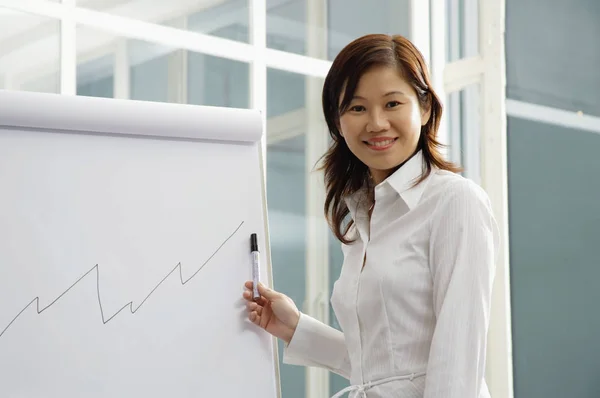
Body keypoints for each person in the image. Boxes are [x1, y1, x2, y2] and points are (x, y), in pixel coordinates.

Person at [243, 33, 499, 398]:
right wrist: (295, 327)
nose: (376, 123)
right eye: (357, 108)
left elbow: (458, 363)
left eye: (392, 103)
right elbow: (380, 365)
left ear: (424, 108)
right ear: (338, 120)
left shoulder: (455, 202)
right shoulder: (365, 215)